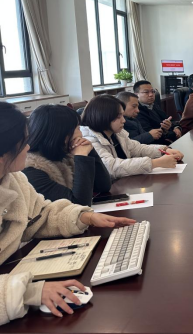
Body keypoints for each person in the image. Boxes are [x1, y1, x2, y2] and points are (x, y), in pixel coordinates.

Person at [0, 102, 136, 324]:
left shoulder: (14, 179)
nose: (28, 147)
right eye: (23, 142)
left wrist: (83, 216)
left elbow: (41, 214)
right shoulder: (31, 170)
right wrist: (27, 292)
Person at [22, 105, 111, 206]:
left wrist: (90, 151)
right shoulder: (32, 170)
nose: (81, 134)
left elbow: (103, 186)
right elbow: (78, 206)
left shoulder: (62, 155)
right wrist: (82, 158)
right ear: (63, 134)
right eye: (78, 128)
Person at [80, 95, 183, 179]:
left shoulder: (117, 133)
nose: (123, 120)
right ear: (103, 117)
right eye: (118, 116)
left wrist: (164, 150)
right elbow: (111, 168)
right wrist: (154, 163)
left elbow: (137, 148)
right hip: (106, 192)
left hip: (124, 181)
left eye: (122, 115)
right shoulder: (88, 140)